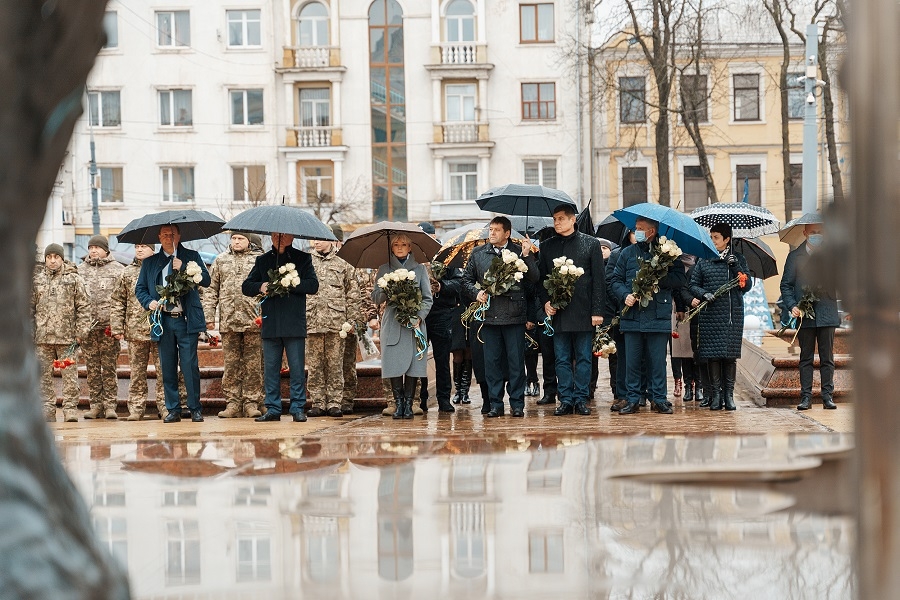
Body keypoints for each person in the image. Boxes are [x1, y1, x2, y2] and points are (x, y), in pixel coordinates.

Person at [462, 217, 539, 418]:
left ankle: (517, 403)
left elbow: (534, 280)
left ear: (507, 233)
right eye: (491, 229)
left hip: (514, 315)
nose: (492, 233)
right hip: (489, 316)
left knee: (515, 362)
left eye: (497, 230)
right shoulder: (479, 254)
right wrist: (476, 293)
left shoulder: (517, 252)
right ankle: (496, 404)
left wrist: (526, 256)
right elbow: (466, 280)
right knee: (492, 363)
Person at [610, 217, 687, 415]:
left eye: (640, 229)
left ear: (651, 232)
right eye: (636, 229)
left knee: (658, 361)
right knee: (632, 361)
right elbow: (615, 280)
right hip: (632, 316)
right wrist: (624, 295)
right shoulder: (627, 253)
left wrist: (658, 277)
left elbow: (679, 279)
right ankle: (633, 398)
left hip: (658, 315)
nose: (637, 232)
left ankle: (659, 398)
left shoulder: (667, 253)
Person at [135, 224, 211, 423]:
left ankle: (195, 408)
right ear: (159, 237)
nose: (169, 238)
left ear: (179, 236)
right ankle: (173, 409)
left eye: (172, 234)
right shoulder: (151, 262)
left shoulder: (191, 256)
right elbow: (140, 289)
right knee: (167, 367)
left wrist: (183, 267)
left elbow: (206, 280)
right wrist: (148, 302)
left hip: (185, 321)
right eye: (165, 235)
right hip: (163, 320)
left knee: (189, 366)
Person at [242, 232, 319, 422]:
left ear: (292, 237)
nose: (280, 237)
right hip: (271, 322)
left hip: (294, 322)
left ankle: (298, 407)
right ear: (271, 236)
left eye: (284, 235)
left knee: (297, 369)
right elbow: (246, 286)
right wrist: (262, 286)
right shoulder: (262, 260)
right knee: (270, 369)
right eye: (276, 234)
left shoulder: (303, 258)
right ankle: (273, 408)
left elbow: (313, 285)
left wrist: (292, 283)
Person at [538, 204, 606, 416]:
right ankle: (566, 399)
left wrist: (597, 311)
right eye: (554, 219)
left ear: (572, 220)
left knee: (585, 357)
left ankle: (581, 398)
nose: (556, 223)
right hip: (559, 313)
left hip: (584, 311)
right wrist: (546, 303)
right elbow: (541, 280)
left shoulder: (590, 244)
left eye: (560, 219)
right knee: (561, 358)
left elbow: (598, 281)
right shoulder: (547, 246)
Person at [687, 223, 752, 411]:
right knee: (713, 356)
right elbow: (693, 285)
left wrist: (736, 267)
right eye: (711, 236)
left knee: (729, 357)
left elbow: (746, 286)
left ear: (726, 239)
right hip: (711, 314)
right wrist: (703, 294)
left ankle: (728, 396)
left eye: (716, 237)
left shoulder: (738, 259)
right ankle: (715, 395)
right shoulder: (704, 260)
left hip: (732, 315)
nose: (712, 240)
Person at [202, 232, 265, 419]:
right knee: (231, 365)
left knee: (253, 365)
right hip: (229, 321)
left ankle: (252, 402)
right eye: (234, 238)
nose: (236, 242)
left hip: (253, 321)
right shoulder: (221, 260)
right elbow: (211, 290)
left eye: (240, 239)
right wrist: (209, 316)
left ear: (249, 242)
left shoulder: (259, 260)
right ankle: (233, 403)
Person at [372, 234, 433, 419]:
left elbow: (427, 298)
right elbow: (375, 298)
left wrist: (420, 317)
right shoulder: (385, 269)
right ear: (391, 248)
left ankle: (409, 404)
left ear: (410, 248)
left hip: (414, 324)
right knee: (394, 363)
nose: (400, 247)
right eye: (396, 244)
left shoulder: (420, 269)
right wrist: (386, 287)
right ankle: (398, 404)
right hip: (393, 323)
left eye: (404, 245)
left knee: (414, 364)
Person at [780, 222, 839, 410]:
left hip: (827, 312)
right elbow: (786, 285)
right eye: (813, 232)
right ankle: (805, 397)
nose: (817, 235)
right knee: (806, 358)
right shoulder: (794, 257)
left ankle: (827, 396)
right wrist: (792, 306)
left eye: (821, 232)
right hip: (804, 315)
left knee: (827, 358)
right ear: (805, 233)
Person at [32, 244, 90, 422]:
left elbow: (83, 306)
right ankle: (47, 408)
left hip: (67, 338)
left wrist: (82, 331)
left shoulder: (73, 279)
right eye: (49, 257)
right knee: (43, 377)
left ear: (62, 258)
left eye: (56, 257)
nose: (52, 260)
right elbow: (28, 308)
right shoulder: (37, 280)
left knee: (70, 376)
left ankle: (70, 408)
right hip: (42, 338)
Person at [111, 243, 168, 420]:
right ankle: (136, 408)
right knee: (137, 372)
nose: (139, 250)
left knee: (165, 371)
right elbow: (118, 301)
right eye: (137, 247)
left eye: (144, 246)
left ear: (153, 249)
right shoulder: (127, 272)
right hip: (135, 330)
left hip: (160, 328)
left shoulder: (163, 269)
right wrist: (117, 326)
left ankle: (166, 406)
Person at [305, 231, 358, 418]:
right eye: (314, 238)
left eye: (320, 238)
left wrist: (352, 321)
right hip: (312, 321)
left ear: (330, 240)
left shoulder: (344, 262)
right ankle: (318, 402)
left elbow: (352, 294)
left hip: (336, 322)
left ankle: (335, 402)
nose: (316, 241)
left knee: (335, 364)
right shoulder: (305, 261)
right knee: (315, 364)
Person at [78, 234, 124, 419]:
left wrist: (118, 325)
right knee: (92, 369)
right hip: (88, 329)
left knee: (109, 367)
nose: (94, 250)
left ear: (106, 249)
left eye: (97, 247)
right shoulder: (80, 271)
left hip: (109, 328)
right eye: (91, 247)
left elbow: (122, 298)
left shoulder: (118, 270)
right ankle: (96, 405)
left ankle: (111, 405)